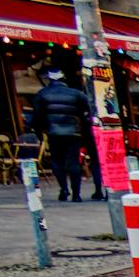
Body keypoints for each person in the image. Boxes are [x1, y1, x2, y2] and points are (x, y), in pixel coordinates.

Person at [26, 70, 92, 201]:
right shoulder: (76, 94)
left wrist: (39, 133)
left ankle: (64, 189)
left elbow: (37, 116)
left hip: (54, 132)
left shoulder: (43, 94)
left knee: (57, 161)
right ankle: (76, 194)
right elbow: (87, 112)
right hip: (73, 132)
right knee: (73, 162)